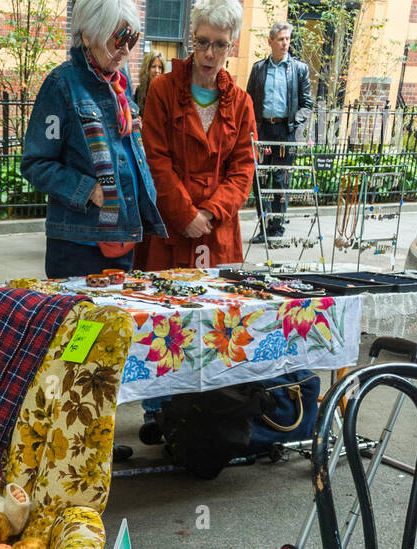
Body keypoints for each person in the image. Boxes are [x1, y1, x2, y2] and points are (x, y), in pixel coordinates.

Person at [138, 0, 255, 444]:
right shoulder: (163, 91)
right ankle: (157, 411)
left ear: (232, 46)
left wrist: (210, 213)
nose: (209, 53)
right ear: (192, 40)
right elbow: (155, 159)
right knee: (165, 323)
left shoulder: (241, 102)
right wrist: (185, 214)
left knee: (214, 322)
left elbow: (242, 169)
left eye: (219, 45)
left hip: (218, 233)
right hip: (173, 229)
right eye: (202, 43)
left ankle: (206, 414)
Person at [20, 0, 166, 280]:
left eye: (131, 39)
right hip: (79, 245)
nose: (125, 49)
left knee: (116, 322)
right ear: (88, 35)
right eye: (117, 39)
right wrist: (88, 190)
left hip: (122, 236)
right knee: (83, 323)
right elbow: (36, 163)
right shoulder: (61, 84)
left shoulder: (120, 80)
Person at [246, 21, 312, 238]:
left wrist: (295, 122)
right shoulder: (258, 69)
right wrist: (252, 131)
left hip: (285, 131)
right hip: (263, 130)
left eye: (288, 39)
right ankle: (264, 227)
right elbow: (248, 102)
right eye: (281, 39)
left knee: (281, 180)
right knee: (261, 181)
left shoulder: (299, 69)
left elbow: (307, 104)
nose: (286, 44)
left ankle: (277, 227)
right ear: (270, 42)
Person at [136, 49, 166, 114]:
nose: (157, 71)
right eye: (153, 66)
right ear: (146, 69)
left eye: (160, 67)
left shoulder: (167, 92)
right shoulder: (140, 90)